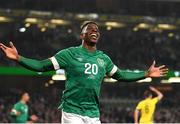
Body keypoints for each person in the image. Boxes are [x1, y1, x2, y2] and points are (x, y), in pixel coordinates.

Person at [0, 21, 168, 124]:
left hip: (93, 114)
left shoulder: (104, 59)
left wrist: (145, 74)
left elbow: (121, 75)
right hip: (72, 111)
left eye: (97, 30)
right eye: (90, 29)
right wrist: (18, 58)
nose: (95, 31)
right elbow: (41, 66)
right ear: (82, 35)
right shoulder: (69, 54)